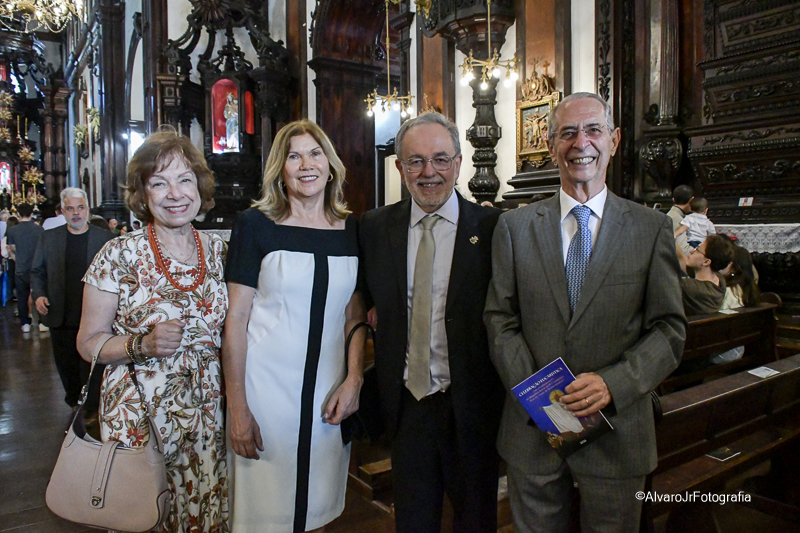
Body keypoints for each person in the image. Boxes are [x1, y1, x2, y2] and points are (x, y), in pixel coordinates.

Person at [484, 92, 686, 533]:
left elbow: (669, 330)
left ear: (614, 140)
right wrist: (540, 397)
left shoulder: (650, 229)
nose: (581, 143)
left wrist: (614, 383)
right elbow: (500, 319)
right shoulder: (514, 227)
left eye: (594, 130)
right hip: (533, 432)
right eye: (568, 133)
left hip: (618, 432)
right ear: (551, 144)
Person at [76, 130, 229, 532]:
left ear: (199, 187)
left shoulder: (219, 250)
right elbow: (88, 343)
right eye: (159, 183)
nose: (175, 194)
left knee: (202, 511)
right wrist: (141, 344)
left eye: (185, 180)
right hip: (140, 417)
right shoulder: (118, 254)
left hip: (207, 414)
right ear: (143, 194)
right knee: (145, 516)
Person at [359, 112, 504, 533]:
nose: (429, 172)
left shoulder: (493, 229)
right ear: (399, 167)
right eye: (416, 161)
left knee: (476, 522)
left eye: (440, 159)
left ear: (458, 163)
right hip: (407, 406)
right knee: (413, 522)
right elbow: (361, 301)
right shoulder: (373, 227)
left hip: (472, 407)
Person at [223, 119, 366, 533]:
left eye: (315, 154)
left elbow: (354, 315)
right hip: (265, 392)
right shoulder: (255, 225)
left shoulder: (352, 229)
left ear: (330, 165)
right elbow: (236, 321)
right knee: (264, 512)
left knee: (318, 507)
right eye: (294, 156)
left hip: (329, 390)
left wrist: (354, 379)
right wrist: (238, 407)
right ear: (280, 170)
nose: (306, 165)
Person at [31, 188, 113, 416]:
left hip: (95, 315)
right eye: (70, 208)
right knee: (66, 364)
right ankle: (75, 403)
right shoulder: (49, 237)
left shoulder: (104, 239)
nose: (76, 213)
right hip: (61, 313)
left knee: (92, 364)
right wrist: (39, 294)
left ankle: (91, 406)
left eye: (80, 208)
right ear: (62, 211)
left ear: (87, 209)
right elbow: (37, 271)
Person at [6, 202, 44, 332]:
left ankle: (25, 323)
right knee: (39, 294)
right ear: (31, 213)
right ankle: (42, 321)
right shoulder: (39, 229)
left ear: (17, 214)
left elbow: (11, 249)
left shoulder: (12, 230)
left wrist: (18, 260)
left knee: (22, 296)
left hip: (21, 267)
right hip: (37, 267)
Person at [680, 234, 734, 316]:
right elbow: (681, 257)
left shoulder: (689, 287)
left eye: (697, 249)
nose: (691, 251)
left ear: (706, 262)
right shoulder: (719, 279)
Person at [667, 185, 693, 255]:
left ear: (673, 200)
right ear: (691, 201)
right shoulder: (677, 219)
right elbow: (684, 250)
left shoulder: (672, 215)